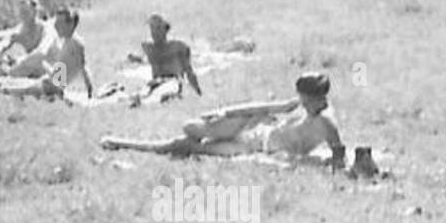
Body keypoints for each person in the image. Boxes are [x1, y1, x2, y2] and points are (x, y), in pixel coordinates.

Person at [100, 71, 346, 164]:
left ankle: (122, 143)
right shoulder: (302, 104)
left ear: (317, 98)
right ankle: (121, 143)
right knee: (191, 129)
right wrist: (226, 112)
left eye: (304, 98)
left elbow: (339, 154)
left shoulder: (326, 121)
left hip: (257, 146)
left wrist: (296, 161)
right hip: (257, 127)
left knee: (187, 147)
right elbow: (267, 107)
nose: (301, 101)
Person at [0, 6, 94, 101]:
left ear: (70, 24)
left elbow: (81, 68)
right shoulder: (68, 41)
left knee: (16, 89)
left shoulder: (75, 44)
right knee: (17, 84)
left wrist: (90, 91)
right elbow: (65, 70)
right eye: (56, 23)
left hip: (52, 87)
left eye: (59, 23)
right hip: (51, 82)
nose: (55, 26)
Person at [123, 13, 202, 104]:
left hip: (173, 81)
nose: (154, 32)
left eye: (157, 28)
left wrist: (197, 90)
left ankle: (145, 102)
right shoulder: (148, 47)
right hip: (155, 82)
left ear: (165, 29)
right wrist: (133, 58)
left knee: (162, 95)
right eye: (152, 28)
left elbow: (189, 71)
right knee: (141, 93)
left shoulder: (178, 47)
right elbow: (139, 57)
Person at [0, 0, 54, 76]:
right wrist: (3, 59)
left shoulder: (45, 28)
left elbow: (42, 52)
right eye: (21, 12)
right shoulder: (19, 31)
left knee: (37, 61)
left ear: (35, 10)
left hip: (54, 66)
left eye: (26, 12)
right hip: (34, 67)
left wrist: (21, 62)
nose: (23, 16)